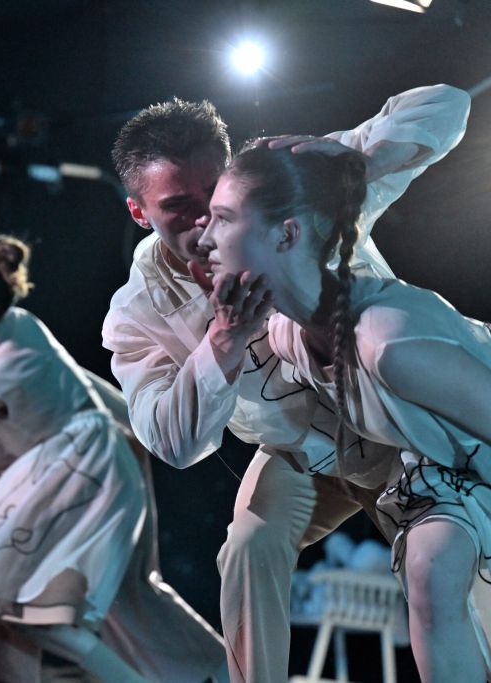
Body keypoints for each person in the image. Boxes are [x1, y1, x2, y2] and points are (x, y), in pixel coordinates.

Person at [101, 84, 470, 682]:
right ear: (139, 212)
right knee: (248, 548)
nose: (204, 220)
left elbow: (447, 104)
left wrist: (346, 162)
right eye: (178, 207)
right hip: (305, 455)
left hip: (401, 434)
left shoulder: (288, 192)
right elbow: (173, 443)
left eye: (213, 194)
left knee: (463, 590)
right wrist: (223, 341)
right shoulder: (137, 312)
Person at [196, 140, 491, 681]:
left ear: (286, 234)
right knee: (431, 563)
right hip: (450, 477)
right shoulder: (289, 334)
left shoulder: (389, 343)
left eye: (224, 218)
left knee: (438, 569)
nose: (205, 238)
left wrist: (357, 154)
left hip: (478, 467)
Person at [0, 234, 226, 683]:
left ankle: (221, 673)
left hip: (87, 465)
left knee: (19, 599)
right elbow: (81, 385)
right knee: (33, 602)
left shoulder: (3, 354)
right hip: (81, 461)